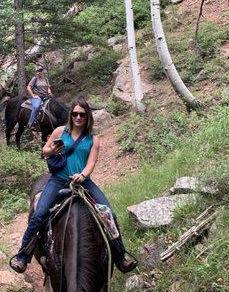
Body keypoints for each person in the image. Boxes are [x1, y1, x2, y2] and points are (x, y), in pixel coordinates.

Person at [10, 97, 137, 274]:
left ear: (87, 117)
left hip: (84, 182)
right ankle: (23, 256)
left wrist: (83, 175)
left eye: (82, 115)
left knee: (109, 213)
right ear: (71, 115)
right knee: (39, 214)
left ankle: (120, 256)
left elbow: (91, 162)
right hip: (58, 180)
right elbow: (44, 150)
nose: (78, 117)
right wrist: (51, 150)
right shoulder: (59, 131)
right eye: (75, 113)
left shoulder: (94, 139)